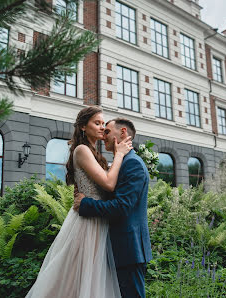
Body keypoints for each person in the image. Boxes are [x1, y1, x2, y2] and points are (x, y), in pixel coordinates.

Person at [26, 106, 132, 298]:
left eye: (103, 123)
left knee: (90, 278)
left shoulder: (94, 151)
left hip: (97, 218)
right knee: (77, 276)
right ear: (83, 126)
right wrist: (119, 155)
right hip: (87, 222)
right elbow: (108, 183)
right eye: (97, 123)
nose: (102, 128)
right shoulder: (82, 150)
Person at [74, 118, 153, 298]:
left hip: (128, 250)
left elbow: (121, 208)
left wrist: (86, 204)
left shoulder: (132, 164)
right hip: (118, 248)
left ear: (123, 132)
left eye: (108, 131)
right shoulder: (122, 163)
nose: (104, 136)